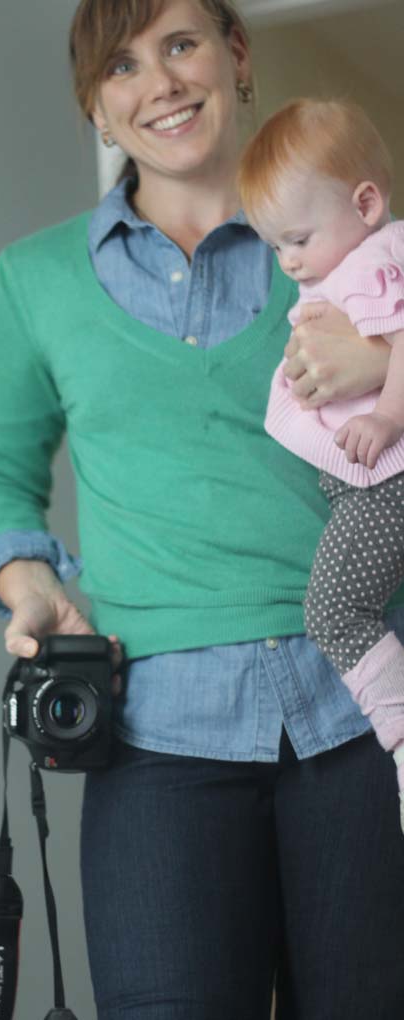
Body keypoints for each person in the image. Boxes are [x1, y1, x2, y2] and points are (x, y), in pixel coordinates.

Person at [0, 2, 404, 1017]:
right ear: (96, 107)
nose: (158, 81)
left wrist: (379, 362)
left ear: (235, 59)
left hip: (363, 720)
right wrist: (31, 584)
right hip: (158, 742)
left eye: (181, 44)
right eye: (121, 64)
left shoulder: (347, 237)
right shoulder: (37, 280)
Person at [238, 98, 404, 835]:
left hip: (386, 480)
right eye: (276, 247)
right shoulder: (345, 267)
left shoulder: (375, 262)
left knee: (334, 610)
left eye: (298, 239)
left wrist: (389, 415)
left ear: (365, 203)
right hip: (365, 484)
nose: (290, 262)